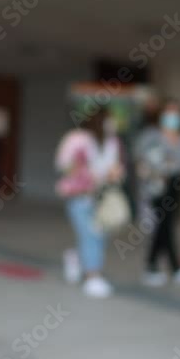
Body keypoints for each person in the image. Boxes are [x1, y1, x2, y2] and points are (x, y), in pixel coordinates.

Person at [55, 109, 123, 298]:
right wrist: (83, 171)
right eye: (108, 121)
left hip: (101, 198)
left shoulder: (112, 142)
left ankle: (75, 257)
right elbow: (63, 164)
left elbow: (116, 166)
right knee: (90, 235)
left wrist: (113, 174)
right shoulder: (76, 140)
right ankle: (93, 277)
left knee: (99, 236)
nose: (111, 125)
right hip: (79, 196)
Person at [136, 100, 180, 287]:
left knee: (165, 225)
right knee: (165, 224)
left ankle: (153, 266)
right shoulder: (151, 135)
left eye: (176, 114)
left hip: (176, 185)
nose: (172, 118)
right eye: (169, 113)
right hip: (157, 184)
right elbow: (140, 157)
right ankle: (174, 267)